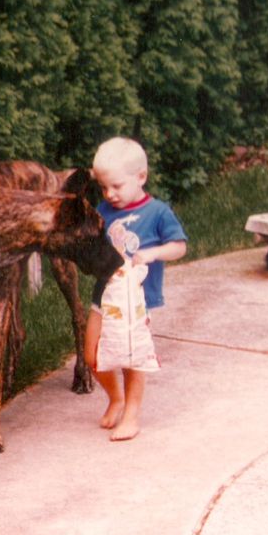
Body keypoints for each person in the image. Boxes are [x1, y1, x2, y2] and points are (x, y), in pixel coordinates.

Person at [84, 137, 187, 441]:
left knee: (132, 357)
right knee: (92, 355)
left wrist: (154, 253)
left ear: (141, 177)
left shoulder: (157, 212)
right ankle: (115, 398)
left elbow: (179, 247)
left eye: (116, 186)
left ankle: (131, 415)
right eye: (103, 187)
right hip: (105, 295)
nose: (109, 194)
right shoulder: (103, 210)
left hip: (136, 301)